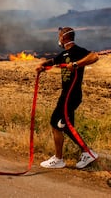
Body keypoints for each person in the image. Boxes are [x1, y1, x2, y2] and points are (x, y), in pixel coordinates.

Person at [35, 27, 99, 169]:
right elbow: (53, 61)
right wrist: (42, 65)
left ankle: (58, 159)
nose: (58, 39)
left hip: (71, 95)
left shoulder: (77, 51)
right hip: (67, 94)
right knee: (68, 127)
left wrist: (76, 64)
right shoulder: (64, 54)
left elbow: (94, 56)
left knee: (54, 123)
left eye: (59, 36)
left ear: (63, 38)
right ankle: (87, 153)